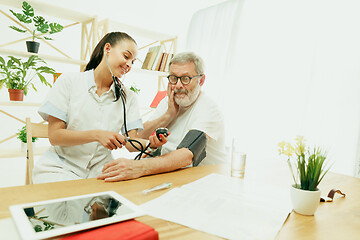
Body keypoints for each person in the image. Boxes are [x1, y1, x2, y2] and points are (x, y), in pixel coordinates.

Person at [33, 32, 167, 184]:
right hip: (60, 168)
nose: (129, 65)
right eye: (126, 56)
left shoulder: (128, 97)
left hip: (101, 172)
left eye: (133, 62)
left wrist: (152, 143)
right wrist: (97, 135)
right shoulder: (69, 82)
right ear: (107, 49)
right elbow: (55, 136)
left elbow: (131, 143)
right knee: (70, 205)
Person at [97, 52, 226, 182]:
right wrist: (168, 115)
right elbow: (137, 138)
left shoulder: (208, 109)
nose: (178, 85)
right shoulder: (168, 102)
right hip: (172, 177)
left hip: (203, 182)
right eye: (173, 78)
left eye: (186, 79)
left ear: (201, 80)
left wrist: (139, 167)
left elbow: (187, 153)